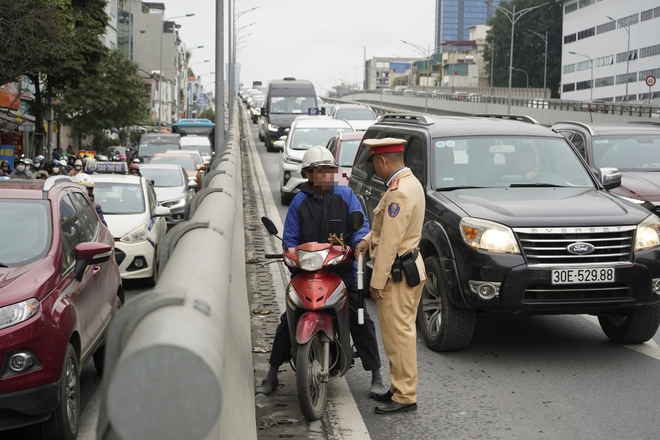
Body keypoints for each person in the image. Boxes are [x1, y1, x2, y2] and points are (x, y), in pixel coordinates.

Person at [256, 146, 384, 398]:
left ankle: (376, 373)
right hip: (308, 271)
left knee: (360, 317)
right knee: (288, 317)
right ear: (308, 175)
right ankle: (271, 373)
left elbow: (361, 227)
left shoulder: (347, 196)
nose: (325, 176)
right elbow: (289, 239)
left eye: (329, 171)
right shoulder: (298, 202)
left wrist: (359, 244)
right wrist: (289, 254)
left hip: (342, 268)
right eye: (319, 171)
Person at [354, 138, 426, 415]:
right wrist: (366, 240)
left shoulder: (398, 193)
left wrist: (376, 281)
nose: (374, 167)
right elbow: (386, 232)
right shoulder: (410, 183)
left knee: (399, 336)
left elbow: (390, 243)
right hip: (408, 267)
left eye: (374, 162)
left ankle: (405, 395)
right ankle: (399, 387)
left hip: (396, 273)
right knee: (398, 334)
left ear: (382, 161)